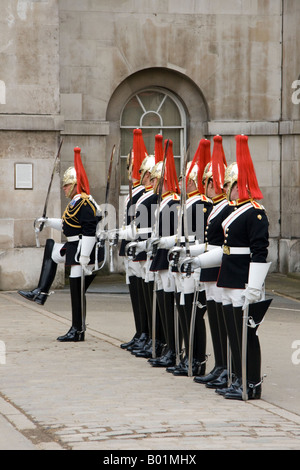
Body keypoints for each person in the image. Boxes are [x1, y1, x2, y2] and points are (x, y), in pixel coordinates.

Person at [182, 134, 271, 400]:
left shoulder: (255, 211)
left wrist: (254, 288)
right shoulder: (235, 212)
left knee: (246, 334)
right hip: (229, 276)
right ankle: (236, 376)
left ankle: (251, 382)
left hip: (244, 280)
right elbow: (223, 251)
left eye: (232, 186)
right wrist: (197, 260)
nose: (229, 190)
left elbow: (260, 252)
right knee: (233, 333)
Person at [18, 147, 102, 342]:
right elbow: (67, 225)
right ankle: (41, 291)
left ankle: (77, 330)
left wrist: (84, 257)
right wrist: (47, 222)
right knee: (51, 248)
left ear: (74, 185)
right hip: (73, 247)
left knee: (76, 291)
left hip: (83, 250)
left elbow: (90, 231)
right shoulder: (75, 202)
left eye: (67, 185)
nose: (64, 188)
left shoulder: (85, 203)